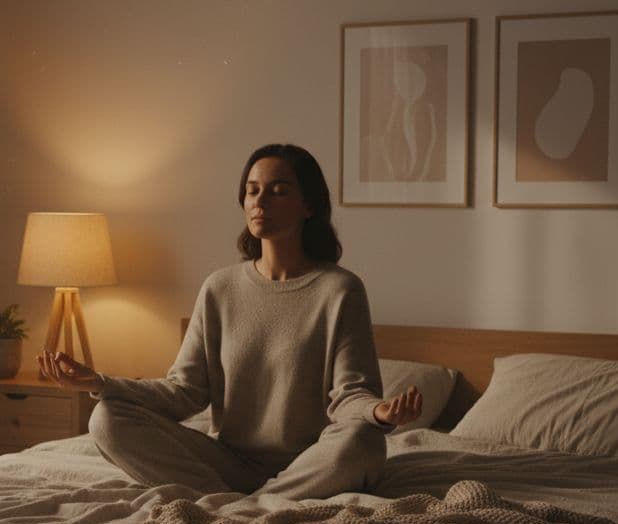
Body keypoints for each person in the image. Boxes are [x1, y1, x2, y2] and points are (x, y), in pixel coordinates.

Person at [37, 143, 422, 500]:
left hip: (312, 464)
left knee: (363, 443)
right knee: (106, 417)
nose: (260, 202)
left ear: (309, 205)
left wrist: (378, 412)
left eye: (278, 190)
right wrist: (100, 383)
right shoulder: (219, 287)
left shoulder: (340, 290)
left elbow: (349, 396)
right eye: (253, 190)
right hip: (226, 464)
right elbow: (184, 392)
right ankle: (241, 504)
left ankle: (242, 508)